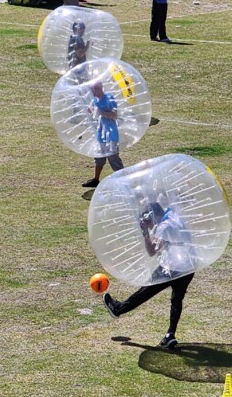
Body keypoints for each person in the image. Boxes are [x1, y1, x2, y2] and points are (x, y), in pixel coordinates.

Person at [103, 202, 196, 349]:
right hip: (189, 266)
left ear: (152, 216)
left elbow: (152, 251)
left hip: (172, 267)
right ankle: (170, 334)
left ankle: (118, 309)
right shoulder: (174, 216)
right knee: (177, 300)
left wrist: (145, 232)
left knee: (146, 290)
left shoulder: (163, 227)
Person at [82, 81, 123, 188]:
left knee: (114, 159)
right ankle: (96, 179)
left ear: (100, 88)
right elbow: (95, 112)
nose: (92, 92)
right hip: (101, 133)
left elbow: (115, 115)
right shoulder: (95, 100)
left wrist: (101, 112)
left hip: (111, 134)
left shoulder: (109, 99)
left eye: (94, 89)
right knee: (99, 157)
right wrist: (90, 111)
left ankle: (123, 180)